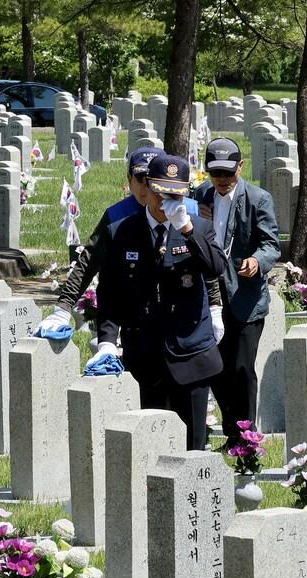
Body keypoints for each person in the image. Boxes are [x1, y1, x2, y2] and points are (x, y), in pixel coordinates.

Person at [94, 154, 226, 451]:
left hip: (191, 354)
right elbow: (111, 291)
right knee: (152, 447)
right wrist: (106, 340)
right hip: (145, 355)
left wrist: (189, 231)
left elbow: (216, 267)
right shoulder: (122, 231)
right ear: (148, 190)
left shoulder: (199, 228)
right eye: (161, 193)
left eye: (175, 193)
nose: (167, 201)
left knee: (193, 448)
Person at [35, 148, 208, 334]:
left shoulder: (189, 211)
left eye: (151, 180)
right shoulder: (116, 216)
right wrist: (64, 307)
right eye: (140, 178)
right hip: (137, 320)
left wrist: (215, 306)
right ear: (129, 179)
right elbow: (89, 260)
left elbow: (207, 262)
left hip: (183, 317)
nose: (145, 187)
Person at [195, 137, 279, 429]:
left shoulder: (258, 199)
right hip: (210, 294)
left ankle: (246, 436)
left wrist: (256, 261)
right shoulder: (201, 195)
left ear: (240, 167)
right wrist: (198, 222)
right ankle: (233, 427)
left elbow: (271, 245)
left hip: (246, 297)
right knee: (215, 366)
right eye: (215, 173)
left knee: (242, 367)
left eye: (228, 173)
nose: (221, 180)